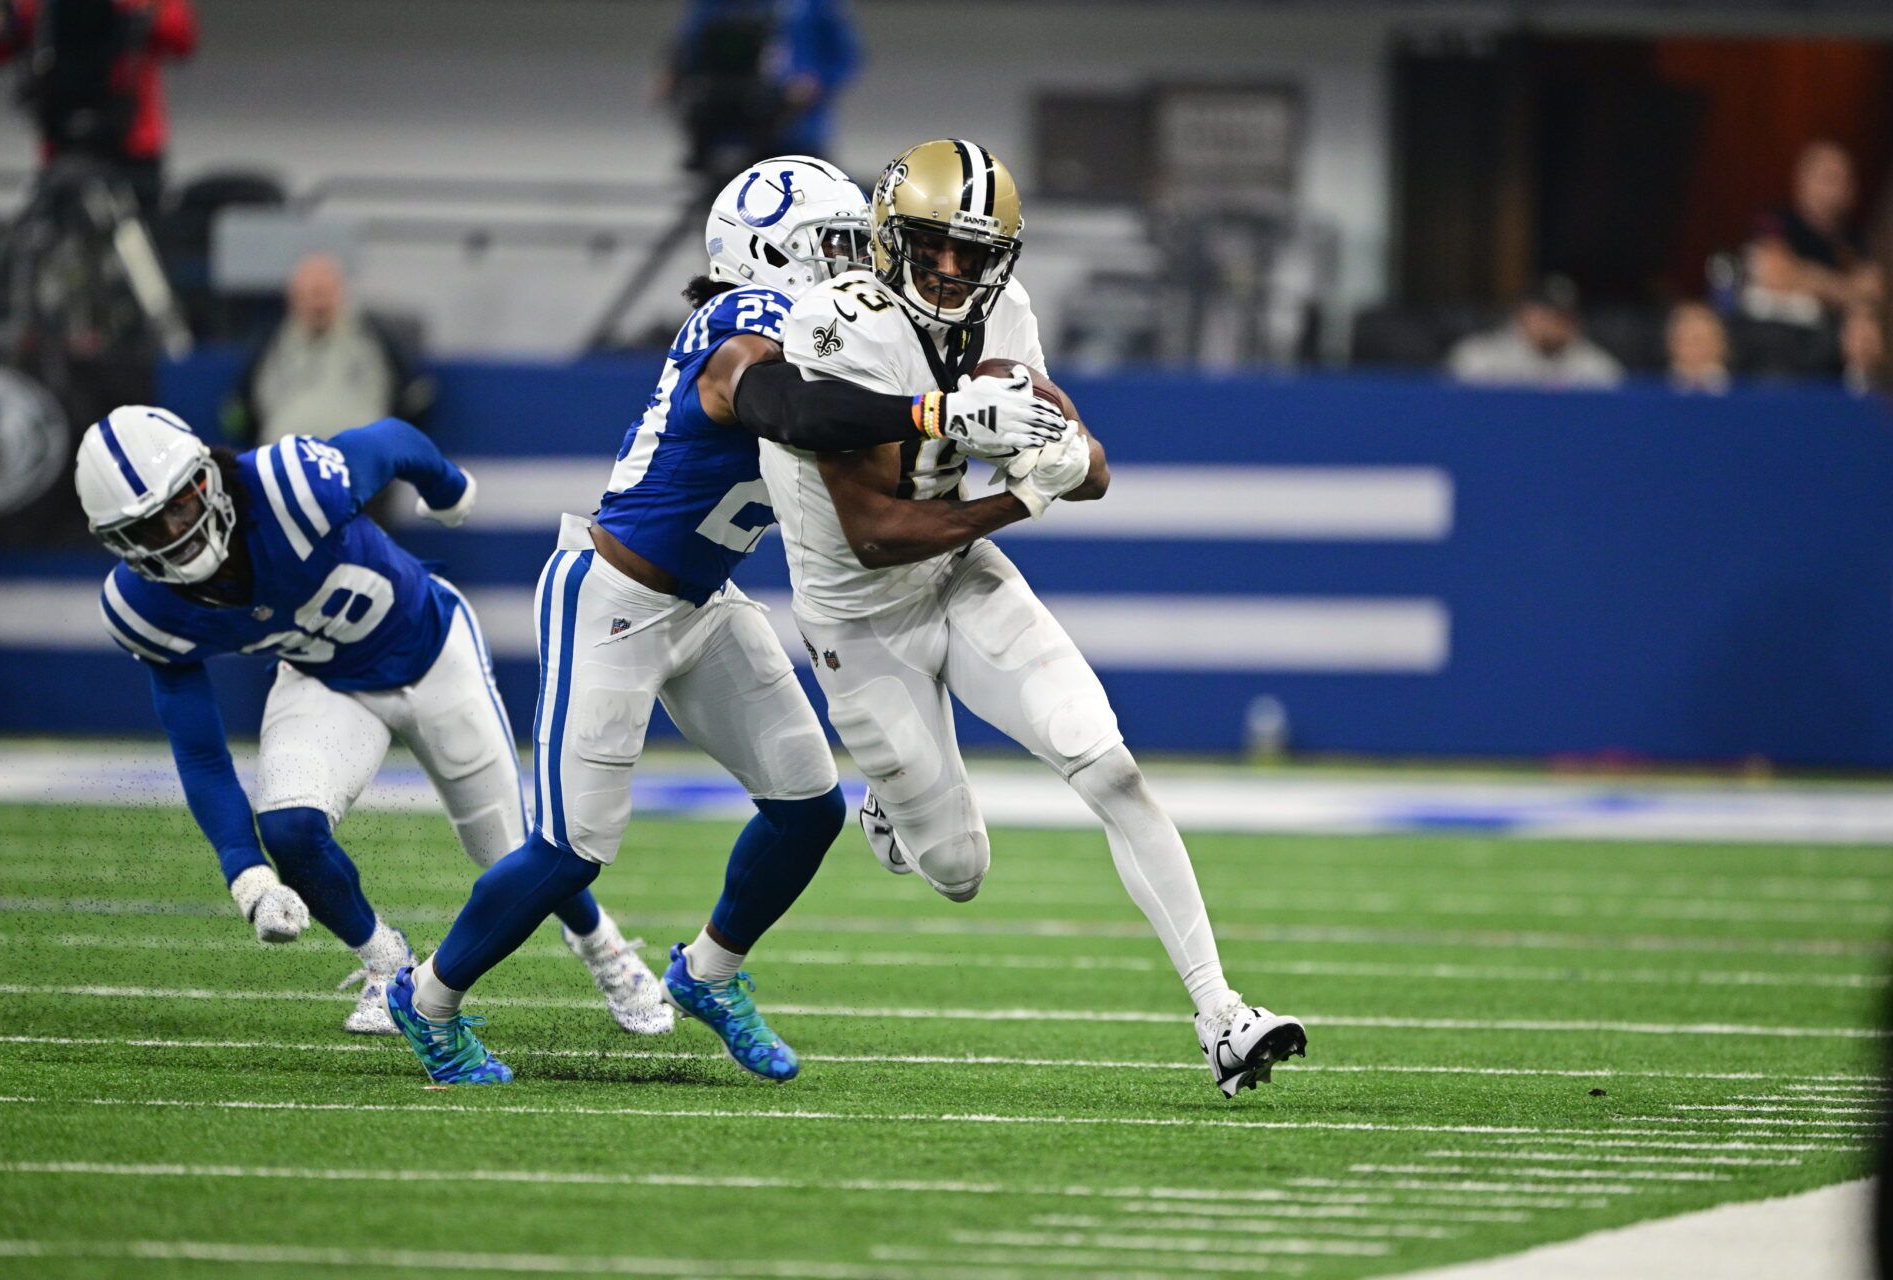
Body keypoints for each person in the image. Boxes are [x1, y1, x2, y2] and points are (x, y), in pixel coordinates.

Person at [383, 156, 1063, 1086]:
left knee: (806, 808)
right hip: (613, 595)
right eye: (831, 244)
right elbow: (783, 406)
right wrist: (936, 407)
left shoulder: (845, 332)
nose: (853, 262)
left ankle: (708, 973)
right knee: (571, 850)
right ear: (769, 254)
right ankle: (426, 1000)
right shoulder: (739, 321)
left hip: (705, 604)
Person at [758, 138, 1307, 1099]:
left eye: (974, 253)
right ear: (891, 238)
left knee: (1111, 767)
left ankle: (1222, 1014)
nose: (953, 270)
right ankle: (891, 804)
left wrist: (1066, 460)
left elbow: (1086, 465)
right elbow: (876, 534)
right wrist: (1017, 497)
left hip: (961, 574)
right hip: (858, 616)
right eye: (934, 246)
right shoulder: (833, 324)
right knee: (959, 869)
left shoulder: (1006, 312)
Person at [72, 405, 671, 1038]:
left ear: (206, 478)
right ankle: (387, 964)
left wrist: (446, 487)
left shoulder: (288, 485)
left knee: (510, 853)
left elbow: (391, 441)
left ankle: (605, 949)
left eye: (179, 505)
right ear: (117, 542)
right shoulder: (144, 606)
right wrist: (246, 875)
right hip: (326, 679)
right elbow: (198, 752)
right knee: (290, 826)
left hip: (432, 651)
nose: (174, 533)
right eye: (145, 527)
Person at [0, 0, 197, 221]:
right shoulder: (36, 7)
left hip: (132, 144)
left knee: (143, 230)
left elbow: (180, 36)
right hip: (65, 145)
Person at [222, 253, 432, 448]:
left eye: (325, 292)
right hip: (286, 463)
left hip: (359, 462)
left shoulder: (374, 336)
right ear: (293, 297)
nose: (318, 302)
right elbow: (240, 407)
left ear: (341, 292)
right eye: (310, 293)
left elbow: (415, 396)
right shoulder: (271, 342)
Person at [662, 0, 860, 176]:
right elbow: (691, 43)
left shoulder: (814, 5)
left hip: (796, 130)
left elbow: (844, 56)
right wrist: (673, 74)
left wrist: (816, 83)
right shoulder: (715, 5)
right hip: (728, 125)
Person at [1743, 141, 1883, 329]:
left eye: (1845, 179)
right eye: (1828, 178)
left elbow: (1872, 292)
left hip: (1829, 343)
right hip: (1774, 334)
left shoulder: (1853, 242)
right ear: (1802, 179)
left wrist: (1806, 276)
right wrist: (1846, 288)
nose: (1837, 189)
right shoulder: (1774, 220)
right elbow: (1776, 274)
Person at [1447, 276, 1625, 390]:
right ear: (1523, 313)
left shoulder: (1595, 366)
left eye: (1564, 315)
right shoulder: (1479, 357)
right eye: (1546, 313)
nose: (1555, 323)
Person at [1666, 301, 1732, 395]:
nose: (1693, 349)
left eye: (1699, 340)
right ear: (1671, 344)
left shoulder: (1745, 390)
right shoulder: (1653, 390)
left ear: (1720, 344)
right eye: (1686, 341)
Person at [1841, 306, 1885, 396]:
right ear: (1844, 338)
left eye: (1869, 339)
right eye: (1858, 338)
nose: (1865, 346)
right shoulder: (1821, 376)